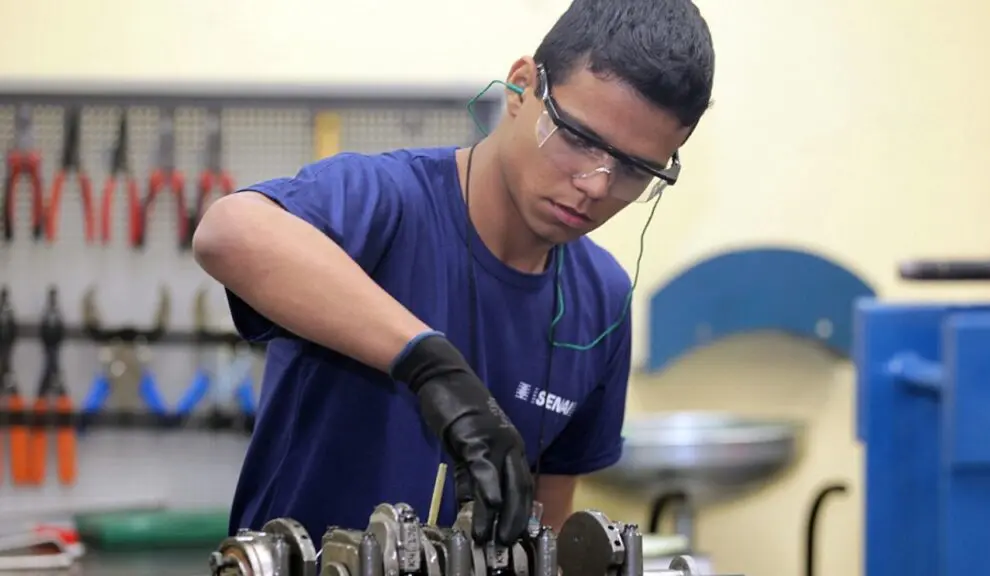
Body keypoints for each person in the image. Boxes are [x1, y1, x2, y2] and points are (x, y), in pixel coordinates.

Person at [193, 0, 714, 548]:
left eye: (634, 169)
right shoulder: (388, 204)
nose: (596, 185)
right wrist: (429, 366)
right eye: (580, 139)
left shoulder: (601, 302)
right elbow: (230, 232)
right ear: (520, 88)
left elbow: (550, 523)